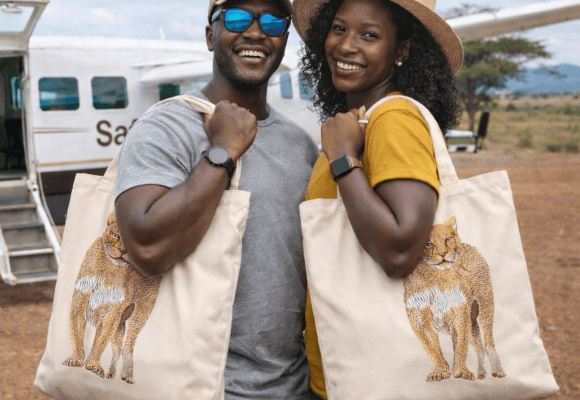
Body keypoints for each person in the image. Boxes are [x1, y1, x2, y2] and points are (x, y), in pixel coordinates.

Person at [114, 0, 320, 398]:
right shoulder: (165, 127)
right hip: (196, 387)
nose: (257, 32)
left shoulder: (300, 146)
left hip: (293, 387)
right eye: (238, 17)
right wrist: (222, 153)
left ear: (284, 39)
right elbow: (146, 245)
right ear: (211, 35)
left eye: (274, 21)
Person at [291, 0, 464, 397]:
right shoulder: (360, 122)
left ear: (402, 50)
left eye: (369, 35)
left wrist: (343, 160)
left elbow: (401, 250)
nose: (346, 46)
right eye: (338, 29)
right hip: (352, 366)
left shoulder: (392, 119)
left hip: (380, 376)